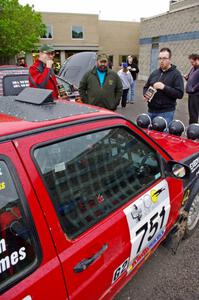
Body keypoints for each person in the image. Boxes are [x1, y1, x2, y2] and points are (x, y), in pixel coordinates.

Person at [143, 47, 184, 125]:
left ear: (170, 59)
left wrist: (164, 87)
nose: (161, 61)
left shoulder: (176, 74)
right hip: (151, 110)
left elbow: (180, 94)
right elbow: (146, 87)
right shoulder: (154, 73)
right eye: (160, 58)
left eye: (164, 58)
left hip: (166, 113)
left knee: (162, 136)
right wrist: (145, 94)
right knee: (148, 135)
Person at [185, 53, 199, 124]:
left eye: (192, 62)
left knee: (194, 113)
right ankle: (191, 127)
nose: (191, 64)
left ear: (197, 60)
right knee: (191, 112)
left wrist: (193, 89)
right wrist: (187, 78)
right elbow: (191, 79)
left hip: (196, 95)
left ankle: (194, 129)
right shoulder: (193, 68)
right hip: (191, 94)